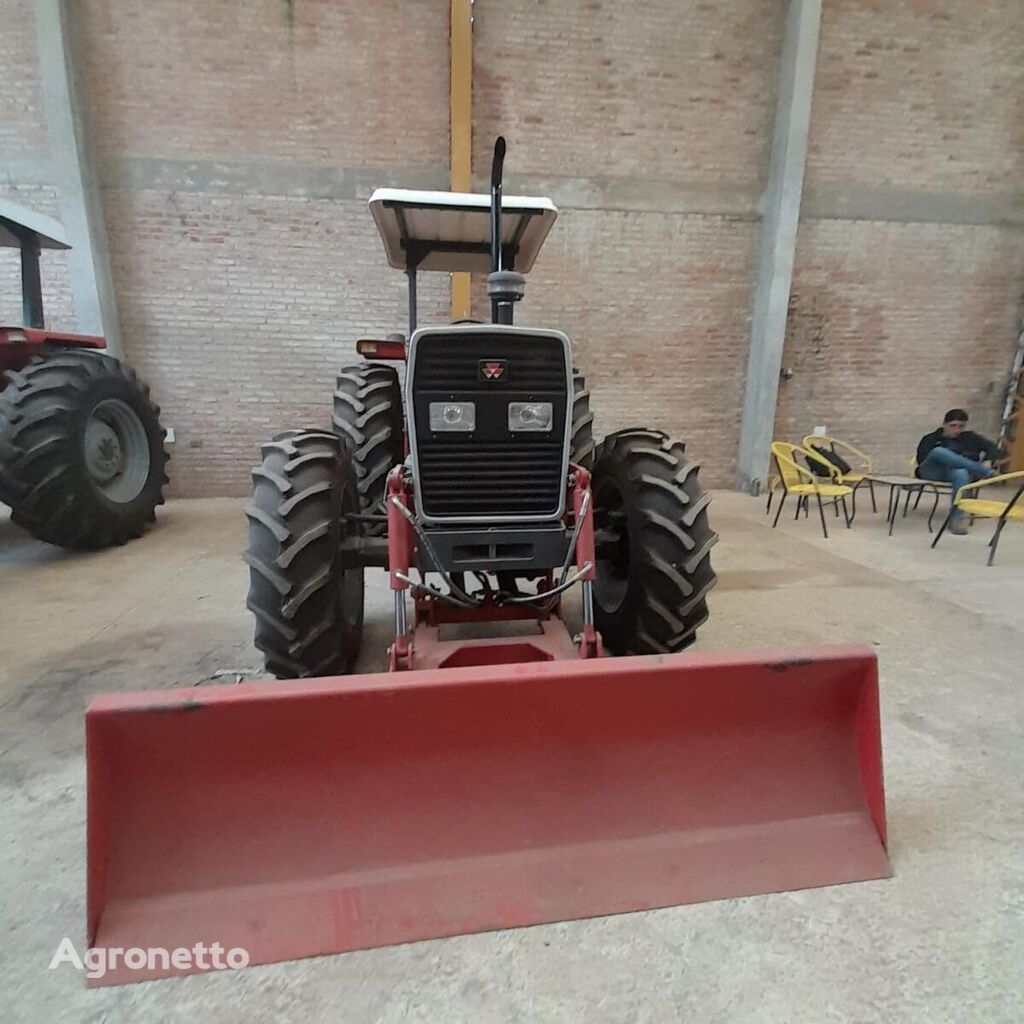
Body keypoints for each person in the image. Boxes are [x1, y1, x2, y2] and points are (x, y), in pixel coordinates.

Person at [916, 409, 1001, 534]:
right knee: (938, 451)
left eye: (961, 426)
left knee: (961, 472)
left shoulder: (971, 438)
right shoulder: (930, 438)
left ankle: (955, 520)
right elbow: (922, 460)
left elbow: (994, 448)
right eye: (952, 426)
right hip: (933, 471)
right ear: (944, 424)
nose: (957, 430)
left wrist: (988, 460)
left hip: (956, 474)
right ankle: (985, 472)